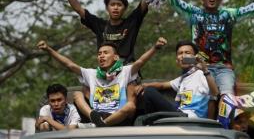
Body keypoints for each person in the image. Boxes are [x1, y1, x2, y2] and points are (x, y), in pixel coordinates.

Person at [54, 0, 158, 123]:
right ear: (107, 8)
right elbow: (78, 9)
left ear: (124, 8)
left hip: (126, 71)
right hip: (103, 74)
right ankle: (96, 117)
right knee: (84, 90)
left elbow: (144, 2)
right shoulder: (100, 25)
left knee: (134, 93)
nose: (116, 7)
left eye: (120, 5)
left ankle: (123, 121)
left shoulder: (131, 22)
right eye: (112, 4)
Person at [37, 37, 167, 127]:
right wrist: (49, 49)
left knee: (130, 106)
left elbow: (140, 62)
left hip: (118, 117)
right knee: (77, 94)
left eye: (105, 53)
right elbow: (69, 65)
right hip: (97, 114)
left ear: (116, 57)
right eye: (99, 54)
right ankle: (94, 118)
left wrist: (155, 48)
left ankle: (96, 127)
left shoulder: (126, 71)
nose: (101, 56)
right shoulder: (91, 73)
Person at [135, 40, 219, 118]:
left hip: (192, 118)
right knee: (148, 93)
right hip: (180, 114)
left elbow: (215, 93)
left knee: (149, 92)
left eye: (187, 53)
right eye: (180, 53)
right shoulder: (182, 79)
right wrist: (144, 85)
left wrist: (205, 70)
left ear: (195, 57)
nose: (183, 56)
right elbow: (162, 85)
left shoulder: (201, 74)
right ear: (177, 61)